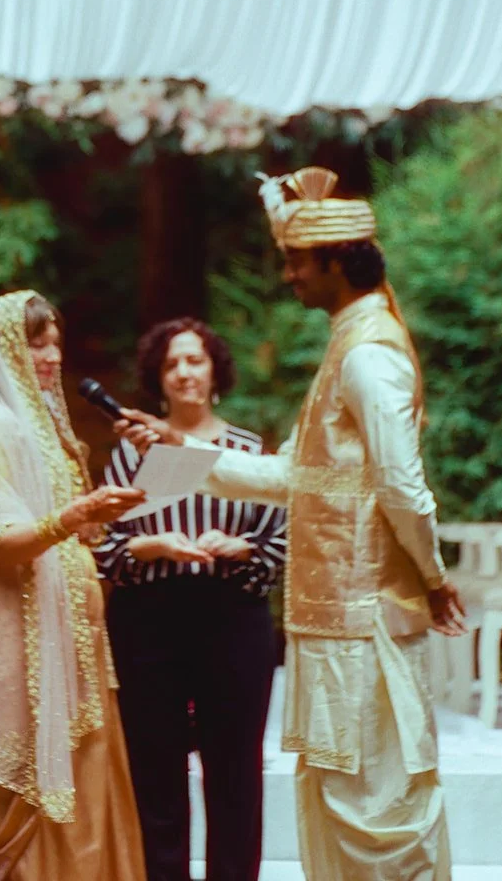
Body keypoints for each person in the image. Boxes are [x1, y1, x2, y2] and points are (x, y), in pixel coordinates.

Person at [119, 169, 466, 881]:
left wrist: (433, 577)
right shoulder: (348, 345)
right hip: (331, 616)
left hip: (361, 610)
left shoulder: (368, 354)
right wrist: (183, 449)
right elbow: (303, 480)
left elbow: (402, 486)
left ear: (337, 262)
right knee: (338, 790)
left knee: (373, 798)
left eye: (298, 262)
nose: (288, 276)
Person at [0, 290, 149, 881]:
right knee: (15, 791)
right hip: (11, 635)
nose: (50, 357)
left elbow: (71, 529)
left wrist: (96, 516)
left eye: (55, 343)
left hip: (69, 635)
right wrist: (69, 519)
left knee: (84, 778)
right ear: (2, 351)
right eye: (35, 343)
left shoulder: (46, 426)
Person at [95, 318, 287, 881]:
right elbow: (106, 552)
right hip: (148, 622)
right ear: (158, 377)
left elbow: (279, 546)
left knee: (235, 773)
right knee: (155, 772)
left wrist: (242, 547)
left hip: (232, 618)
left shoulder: (249, 450)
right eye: (172, 363)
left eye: (195, 360)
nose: (184, 373)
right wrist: (148, 546)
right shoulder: (132, 457)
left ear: (215, 371)